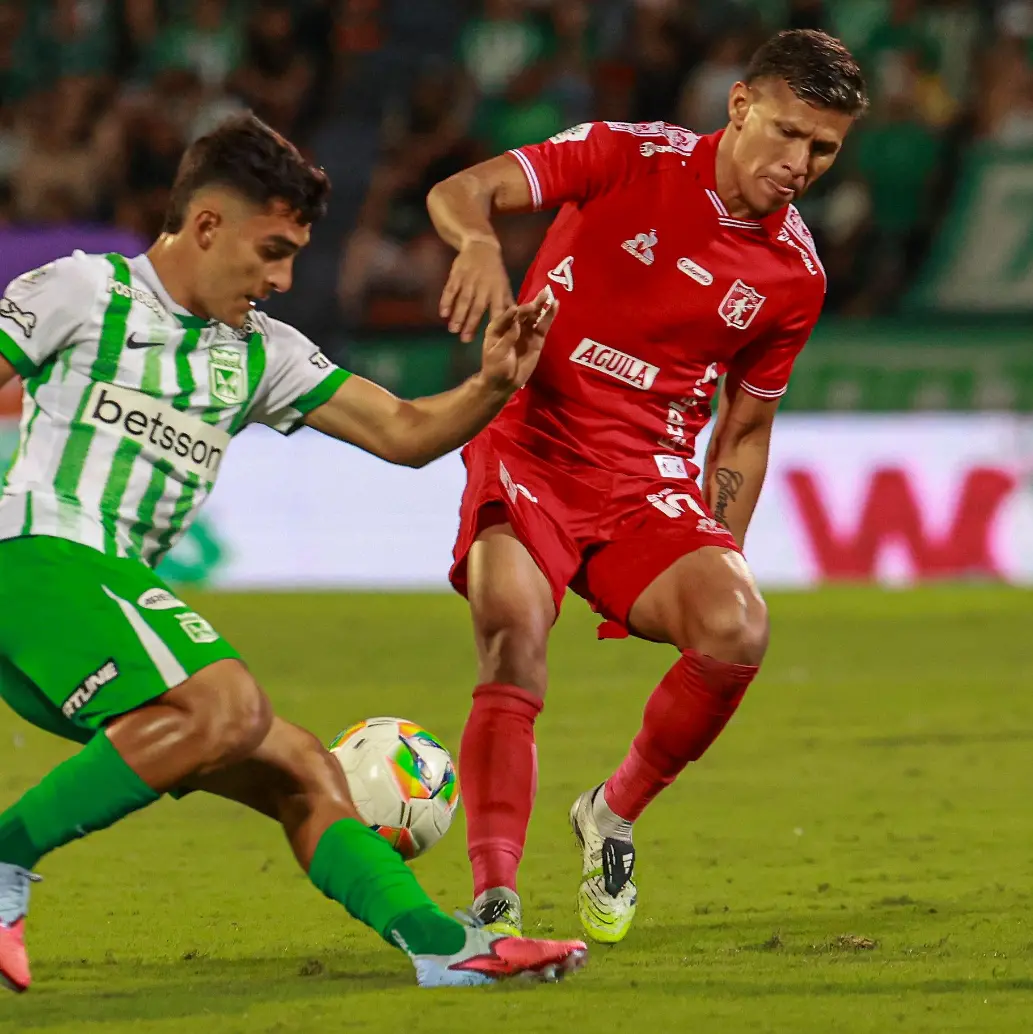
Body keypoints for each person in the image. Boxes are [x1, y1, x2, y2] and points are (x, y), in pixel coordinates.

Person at [0, 113, 587, 994]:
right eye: (270, 250)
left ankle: (444, 947)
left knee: (303, 771)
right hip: (38, 558)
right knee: (228, 704)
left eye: (294, 256)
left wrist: (492, 383)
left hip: (106, 606)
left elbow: (405, 432)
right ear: (206, 225)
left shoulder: (261, 354)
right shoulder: (84, 292)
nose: (280, 278)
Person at [426, 29, 868, 943]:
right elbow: (460, 190)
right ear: (740, 105)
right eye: (787, 133)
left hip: (646, 478)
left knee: (738, 626)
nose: (800, 164)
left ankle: (612, 813)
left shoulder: (794, 275)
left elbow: (745, 428)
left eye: (822, 149)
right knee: (513, 631)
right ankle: (495, 900)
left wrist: (714, 554)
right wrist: (477, 245)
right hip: (532, 442)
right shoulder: (628, 155)